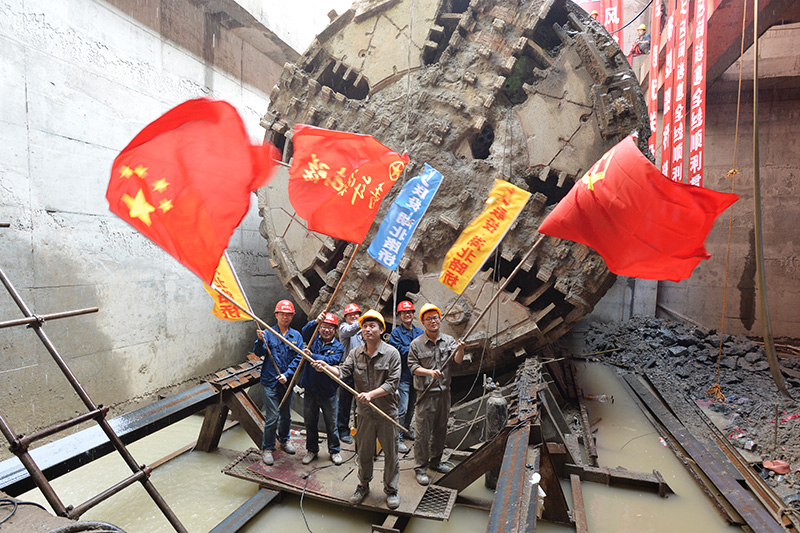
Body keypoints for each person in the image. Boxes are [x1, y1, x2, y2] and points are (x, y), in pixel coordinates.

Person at [311, 310, 401, 510]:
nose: (368, 329)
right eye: (365, 326)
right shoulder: (355, 353)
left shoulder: (392, 353)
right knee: (364, 451)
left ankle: (391, 489)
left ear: (381, 330)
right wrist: (326, 367)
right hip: (365, 414)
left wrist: (371, 395)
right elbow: (343, 371)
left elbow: (392, 383)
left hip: (386, 412)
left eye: (372, 326)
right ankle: (363, 484)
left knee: (391, 453)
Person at [408, 303, 465, 486]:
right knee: (423, 433)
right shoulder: (416, 344)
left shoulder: (448, 340)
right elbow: (412, 367)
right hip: (426, 395)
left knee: (440, 430)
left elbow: (457, 361)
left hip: (444, 393)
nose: (433, 321)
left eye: (435, 318)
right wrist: (429, 373)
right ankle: (420, 468)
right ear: (423, 322)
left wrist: (460, 349)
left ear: (440, 320)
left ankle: (436, 462)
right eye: (428, 319)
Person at [255, 299, 303, 466]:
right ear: (276, 315)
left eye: (288, 314)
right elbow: (259, 353)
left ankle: (284, 440)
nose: (285, 317)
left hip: (287, 383)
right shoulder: (268, 333)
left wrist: (287, 375)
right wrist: (260, 340)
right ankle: (267, 448)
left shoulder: (296, 336)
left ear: (292, 316)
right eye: (282, 314)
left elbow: (298, 358)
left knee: (286, 415)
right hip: (270, 381)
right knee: (272, 417)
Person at [300, 312, 345, 466]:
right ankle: (312, 450)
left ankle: (334, 450)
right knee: (309, 421)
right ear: (319, 328)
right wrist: (315, 322)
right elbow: (304, 332)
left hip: (328, 392)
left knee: (331, 423)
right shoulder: (313, 339)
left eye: (330, 328)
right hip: (310, 390)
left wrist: (314, 356)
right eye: (324, 327)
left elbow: (333, 360)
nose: (326, 330)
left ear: (335, 330)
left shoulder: (338, 347)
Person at [388, 300, 423, 454]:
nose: (407, 315)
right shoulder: (396, 333)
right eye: (404, 313)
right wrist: (414, 348)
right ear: (399, 315)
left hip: (416, 375)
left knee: (411, 406)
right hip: (403, 375)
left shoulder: (420, 332)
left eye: (409, 312)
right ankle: (398, 438)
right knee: (402, 407)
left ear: (413, 314)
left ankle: (406, 429)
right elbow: (397, 351)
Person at [337, 302, 363, 444]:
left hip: (362, 371)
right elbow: (351, 330)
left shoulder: (363, 330)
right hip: (347, 370)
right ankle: (343, 430)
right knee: (345, 402)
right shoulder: (344, 329)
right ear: (345, 318)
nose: (353, 317)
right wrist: (364, 320)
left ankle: (359, 429)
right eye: (350, 315)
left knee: (360, 403)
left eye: (356, 314)